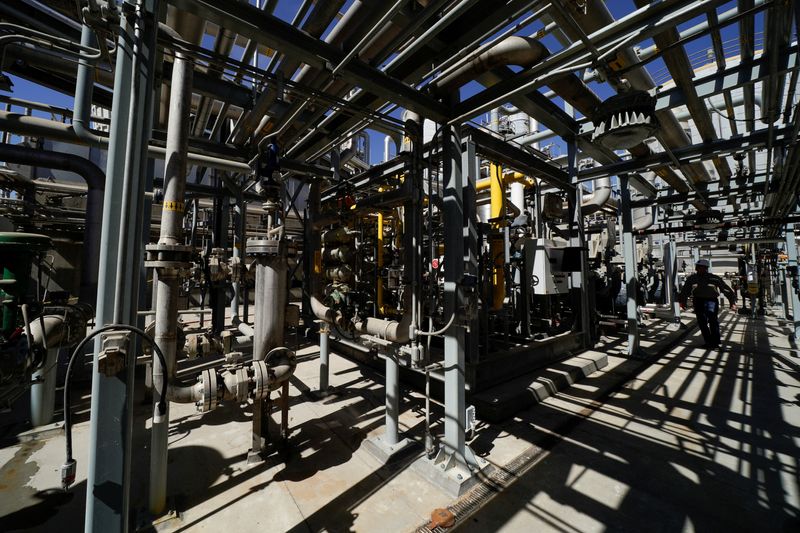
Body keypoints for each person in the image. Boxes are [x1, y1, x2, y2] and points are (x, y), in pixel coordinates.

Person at [677, 259, 737, 349]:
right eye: (699, 267)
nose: (700, 269)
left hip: (711, 301)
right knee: (702, 323)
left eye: (702, 267)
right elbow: (685, 291)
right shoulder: (692, 278)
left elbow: (726, 289)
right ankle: (709, 342)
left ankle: (715, 342)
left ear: (706, 268)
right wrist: (682, 302)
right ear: (697, 268)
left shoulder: (714, 278)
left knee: (713, 321)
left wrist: (732, 302)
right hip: (698, 301)